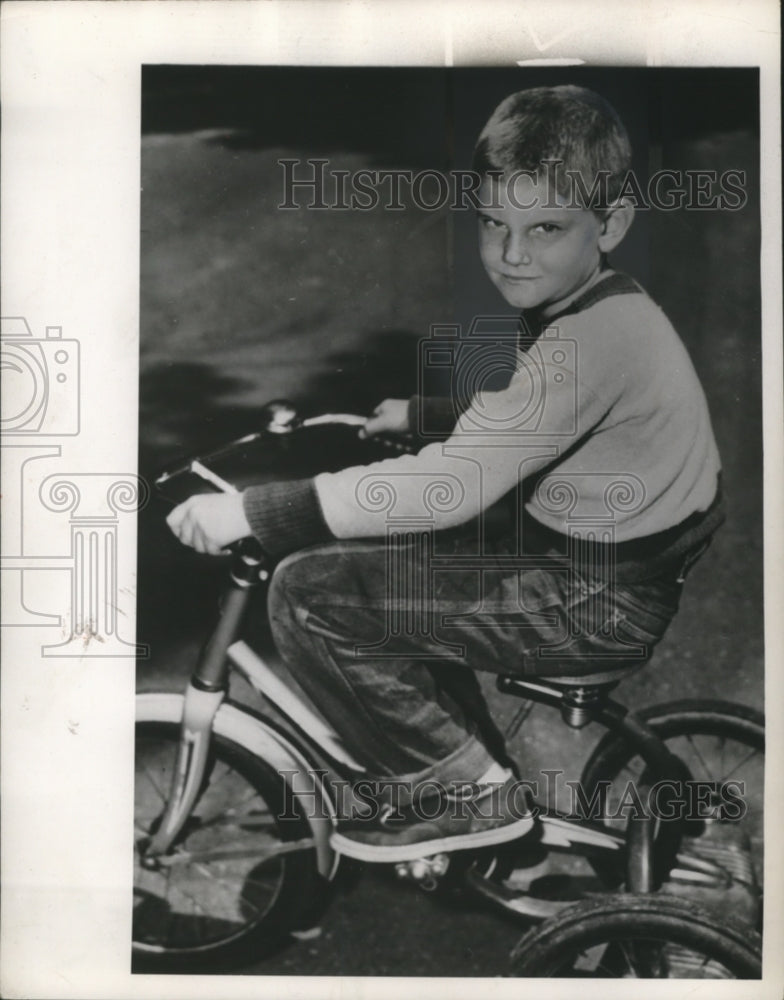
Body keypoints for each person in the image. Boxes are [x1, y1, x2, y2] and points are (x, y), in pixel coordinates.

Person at [167, 85, 724, 863]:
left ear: (614, 222)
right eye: (494, 224)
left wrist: (261, 512)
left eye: (546, 228)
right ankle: (472, 765)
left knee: (309, 594)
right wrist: (431, 417)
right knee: (397, 576)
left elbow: (456, 484)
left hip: (592, 596)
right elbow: (540, 416)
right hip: (611, 562)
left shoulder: (587, 340)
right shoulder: (608, 305)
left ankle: (473, 791)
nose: (512, 253)